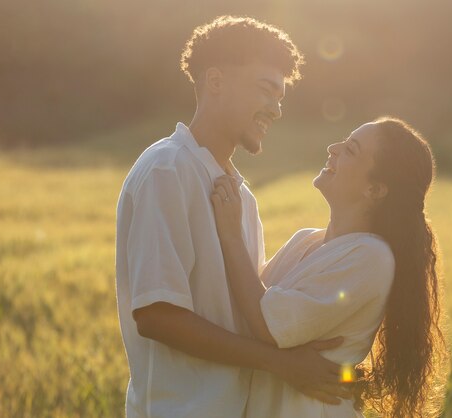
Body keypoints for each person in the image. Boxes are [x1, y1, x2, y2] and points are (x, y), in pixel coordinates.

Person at [115, 16, 350, 418]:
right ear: (216, 81)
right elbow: (156, 316)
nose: (275, 109)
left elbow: (250, 312)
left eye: (281, 96)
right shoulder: (167, 170)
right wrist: (283, 364)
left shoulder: (241, 197)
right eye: (265, 89)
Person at [211, 117, 449, 417]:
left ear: (375, 190)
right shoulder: (304, 241)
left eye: (350, 150)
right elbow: (242, 314)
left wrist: (231, 234)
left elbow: (266, 323)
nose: (332, 148)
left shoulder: (372, 258)